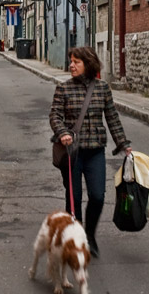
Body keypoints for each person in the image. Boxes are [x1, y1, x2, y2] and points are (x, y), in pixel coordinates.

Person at [49, 46, 131, 258]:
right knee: (74, 199)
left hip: (95, 151)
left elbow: (112, 117)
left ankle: (90, 234)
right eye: (71, 62)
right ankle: (77, 239)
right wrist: (62, 133)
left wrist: (123, 144)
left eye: (76, 62)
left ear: (88, 64)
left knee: (97, 196)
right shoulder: (63, 88)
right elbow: (55, 116)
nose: (72, 65)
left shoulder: (102, 88)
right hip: (72, 153)